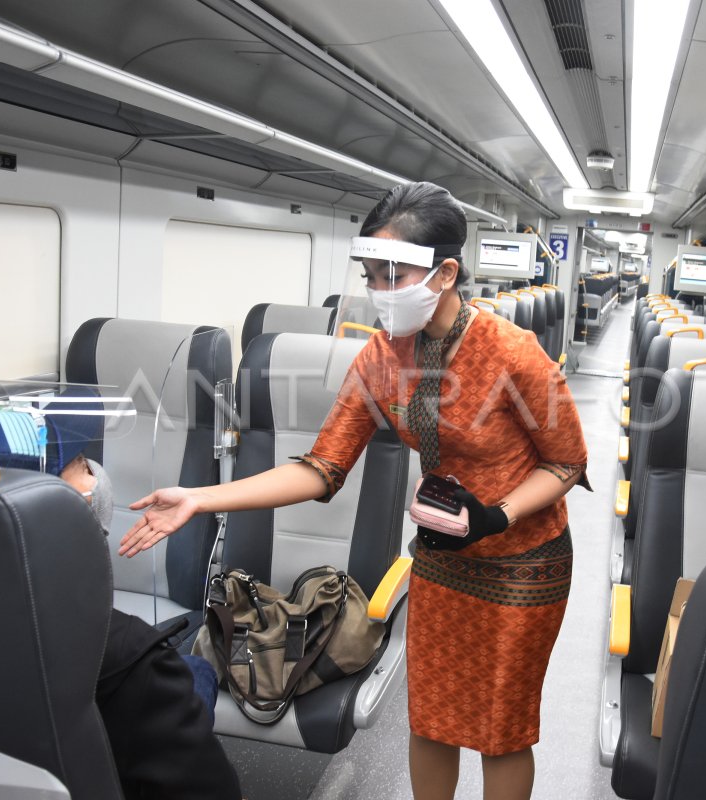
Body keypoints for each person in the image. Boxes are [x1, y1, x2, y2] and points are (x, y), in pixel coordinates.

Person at [120, 181, 590, 800]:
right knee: (433, 718)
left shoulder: (515, 353)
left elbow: (566, 465)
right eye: (371, 274)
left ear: (445, 272)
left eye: (393, 274)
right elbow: (320, 468)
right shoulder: (379, 357)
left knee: (501, 730)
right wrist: (202, 499)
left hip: (523, 562)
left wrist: (497, 516)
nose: (378, 291)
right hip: (445, 559)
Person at [0, 400, 242, 800]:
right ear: (40, 504)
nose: (96, 474)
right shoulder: (126, 655)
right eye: (83, 463)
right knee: (196, 672)